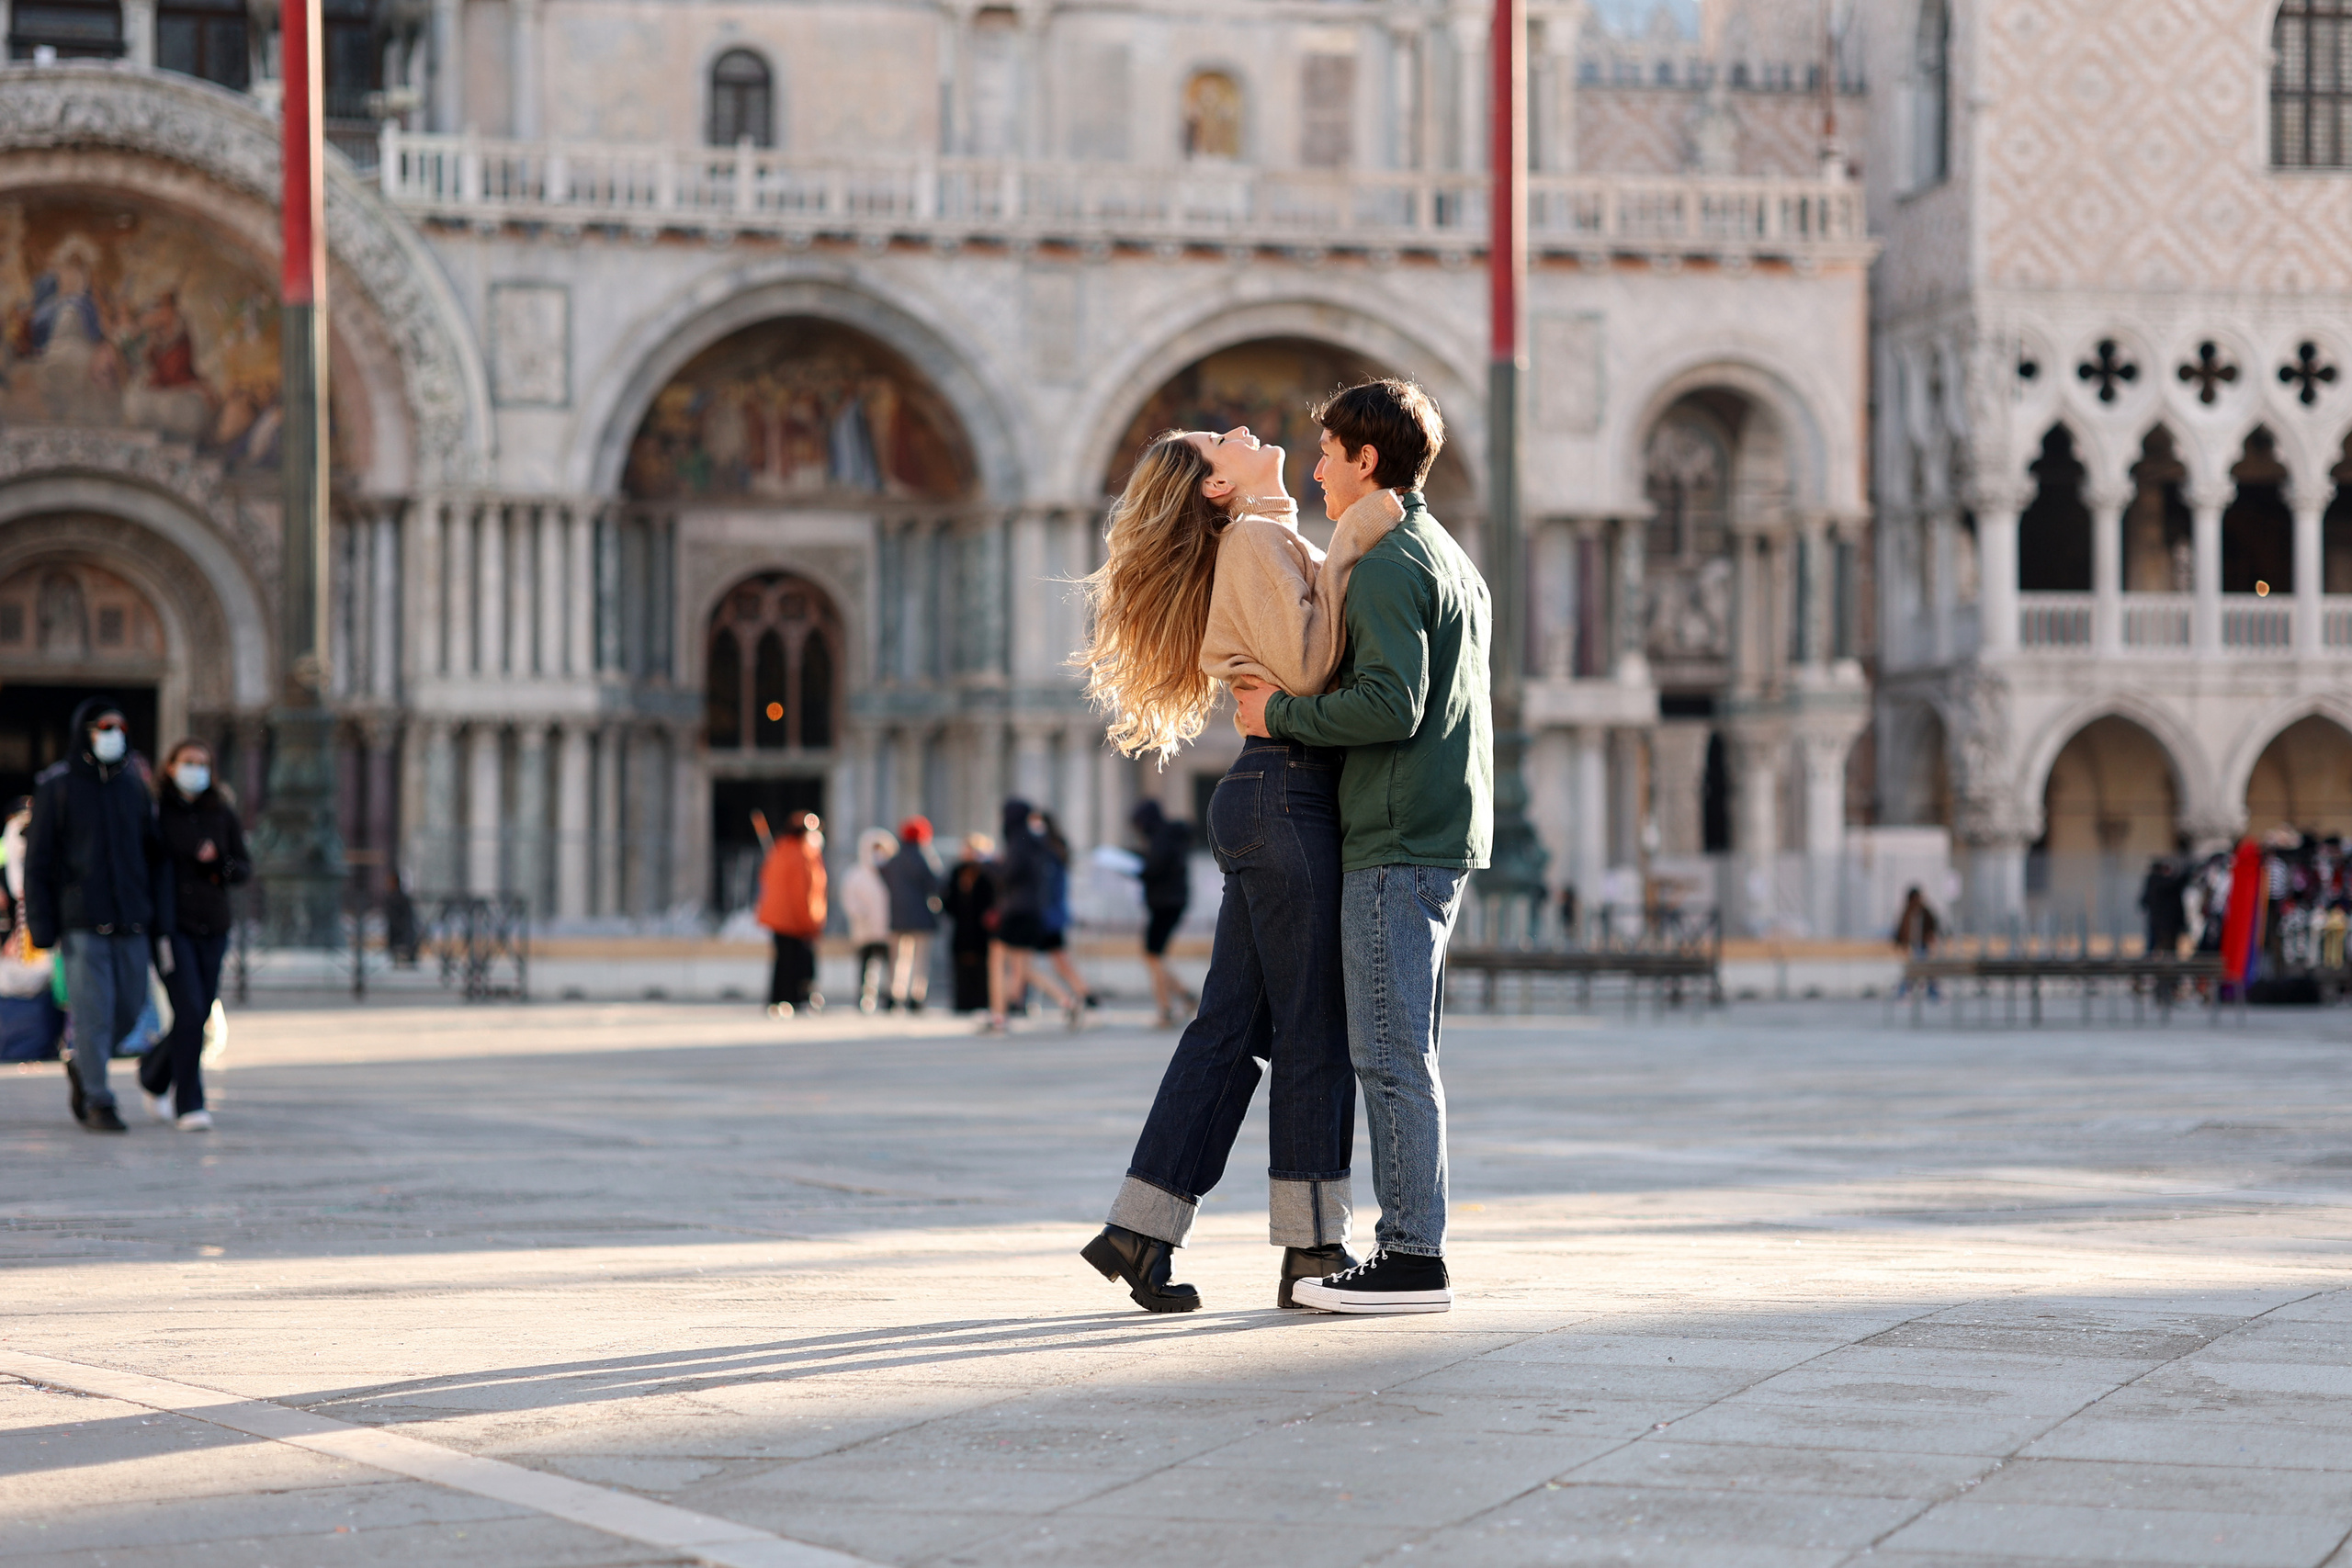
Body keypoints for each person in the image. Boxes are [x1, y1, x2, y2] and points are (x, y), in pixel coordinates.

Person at [1076, 416, 1400, 1312]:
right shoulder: (1258, 537)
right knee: (1311, 1030)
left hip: (1263, 796)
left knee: (1226, 1031)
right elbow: (1305, 668)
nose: (1245, 429)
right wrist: (1359, 556)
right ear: (1219, 488)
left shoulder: (1260, 536)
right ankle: (1312, 1249)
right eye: (1222, 441)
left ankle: (1139, 1230)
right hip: (1289, 797)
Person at [1232, 378, 1487, 1314]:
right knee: (1401, 1046)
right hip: (1433, 828)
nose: (1315, 470)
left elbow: (1393, 703)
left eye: (1328, 453)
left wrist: (1279, 710)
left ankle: (1412, 1254)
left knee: (1387, 1054)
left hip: (1392, 831)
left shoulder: (1383, 566)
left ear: (1365, 460)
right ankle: (1410, 1245)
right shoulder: (1442, 552)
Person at [23, 696, 173, 1134]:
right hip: (82, 921)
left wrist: (155, 912)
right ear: (85, 731)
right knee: (92, 1012)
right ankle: (98, 1098)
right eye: (104, 727)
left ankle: (81, 1063)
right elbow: (39, 860)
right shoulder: (59, 786)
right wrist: (43, 924)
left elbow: (153, 854)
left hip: (131, 919)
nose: (114, 736)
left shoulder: (133, 786)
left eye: (121, 729)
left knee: (129, 1007)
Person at [141, 739, 247, 1131]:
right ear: (170, 767)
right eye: (187, 762)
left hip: (213, 926)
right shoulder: (155, 813)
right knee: (188, 1009)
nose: (195, 770)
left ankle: (153, 1073)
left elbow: (243, 867)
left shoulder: (221, 812)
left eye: (202, 763)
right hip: (171, 928)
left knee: (198, 1012)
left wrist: (219, 863)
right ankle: (190, 1102)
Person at [988, 798, 1079, 1032]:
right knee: (1022, 965)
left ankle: (999, 1016)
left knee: (997, 959)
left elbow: (1008, 874)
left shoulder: (1018, 842)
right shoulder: (1038, 842)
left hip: (1016, 910)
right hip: (1033, 910)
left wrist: (987, 864)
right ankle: (1066, 1000)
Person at [1130, 798, 1196, 1026]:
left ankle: (1165, 1008)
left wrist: (1135, 868)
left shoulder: (1161, 838)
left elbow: (1154, 869)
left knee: (1152, 954)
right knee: (1155, 954)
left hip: (1163, 903)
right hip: (1173, 901)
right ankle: (1185, 995)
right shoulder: (1172, 835)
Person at [756, 811, 826, 1017]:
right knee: (798, 962)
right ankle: (797, 998)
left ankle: (780, 998)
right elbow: (805, 893)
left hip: (778, 918)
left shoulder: (779, 851)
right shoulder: (804, 854)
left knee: (783, 961)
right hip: (796, 919)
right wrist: (811, 922)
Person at [1034, 809, 1096, 1014]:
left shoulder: (1047, 852)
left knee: (1030, 962)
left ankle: (1078, 997)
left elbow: (1047, 888)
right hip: (1054, 913)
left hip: (1047, 915)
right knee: (1058, 960)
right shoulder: (1056, 848)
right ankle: (1084, 994)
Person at [883, 816, 943, 1011]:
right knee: (920, 959)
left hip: (898, 915)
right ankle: (916, 996)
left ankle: (895, 993)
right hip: (921, 916)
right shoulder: (924, 857)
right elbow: (936, 884)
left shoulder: (894, 860)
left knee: (898, 958)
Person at [940, 833, 997, 1013]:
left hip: (982, 928)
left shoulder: (988, 871)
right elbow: (948, 898)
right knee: (961, 964)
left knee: (982, 965)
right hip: (962, 925)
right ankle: (962, 1002)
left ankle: (983, 1001)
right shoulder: (956, 871)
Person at [843, 828, 898, 1013]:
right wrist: (860, 913)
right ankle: (865, 997)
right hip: (864, 929)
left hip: (888, 928)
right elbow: (849, 899)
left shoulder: (892, 872)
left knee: (891, 966)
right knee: (867, 965)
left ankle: (891, 997)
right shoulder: (856, 874)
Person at [1892, 885, 1941, 1001]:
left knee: (1921, 969)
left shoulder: (1923, 911)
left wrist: (1930, 935)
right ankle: (1904, 992)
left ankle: (1931, 992)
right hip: (1912, 945)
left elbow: (1933, 924)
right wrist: (1901, 943)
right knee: (1916, 970)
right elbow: (1902, 929)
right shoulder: (1908, 912)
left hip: (1921, 944)